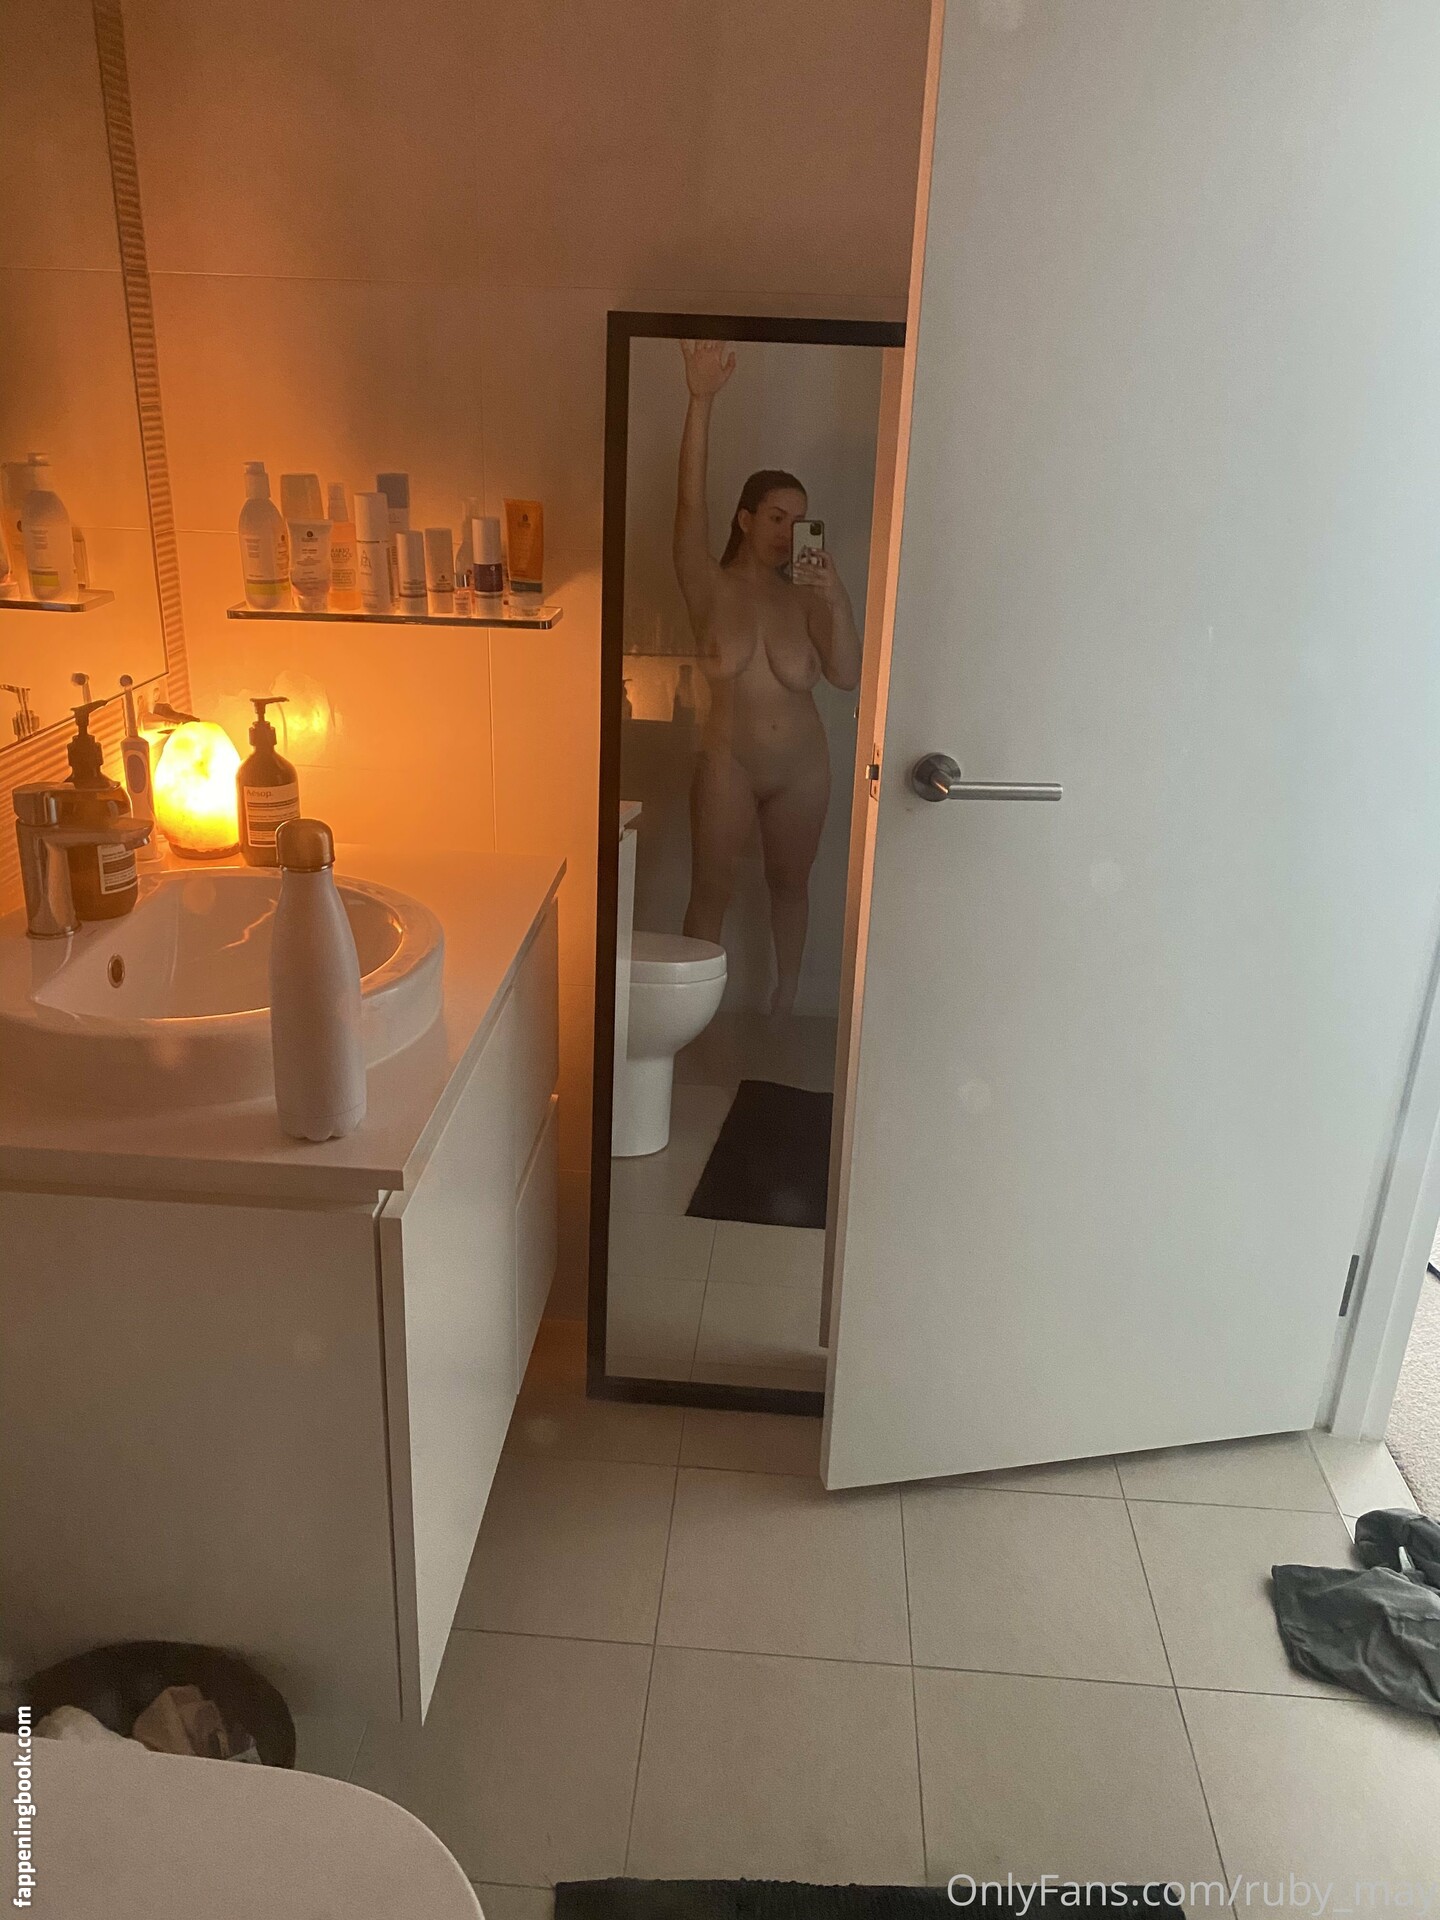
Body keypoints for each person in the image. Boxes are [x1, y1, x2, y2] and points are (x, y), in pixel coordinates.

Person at [672, 338, 863, 1016]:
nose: (787, 532)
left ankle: (787, 998)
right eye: (776, 517)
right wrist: (701, 401)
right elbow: (688, 507)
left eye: (798, 521)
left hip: (803, 769)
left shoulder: (806, 597)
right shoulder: (708, 585)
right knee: (711, 888)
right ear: (746, 518)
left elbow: (847, 676)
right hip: (728, 761)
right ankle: (694, 1013)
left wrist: (836, 597)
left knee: (791, 885)